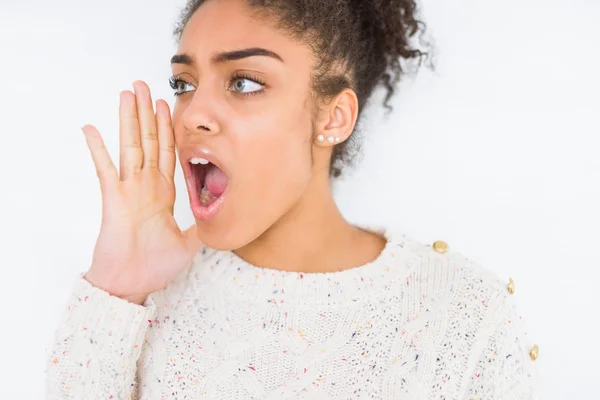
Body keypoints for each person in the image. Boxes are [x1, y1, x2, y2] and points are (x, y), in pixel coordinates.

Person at [45, 0, 539, 398]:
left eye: (244, 82)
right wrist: (115, 291)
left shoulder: (464, 313)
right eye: (184, 84)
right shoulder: (138, 301)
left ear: (333, 118)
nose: (192, 113)